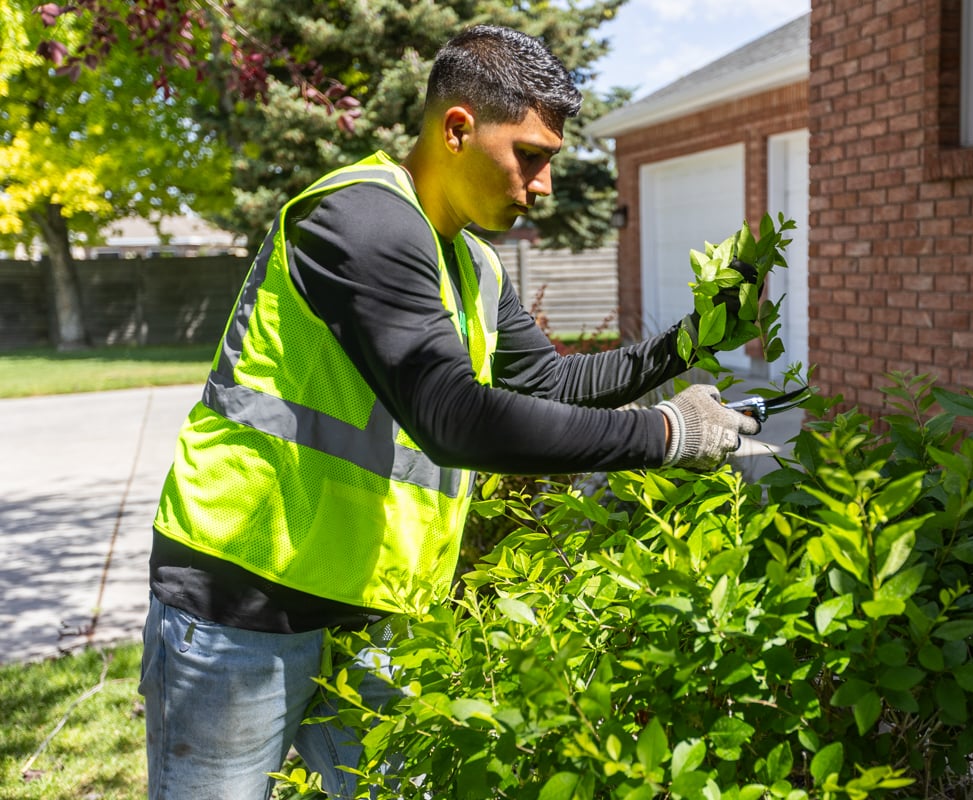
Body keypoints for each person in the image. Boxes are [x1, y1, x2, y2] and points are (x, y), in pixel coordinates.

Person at [138, 23, 760, 800]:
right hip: (239, 598)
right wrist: (667, 433)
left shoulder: (472, 264)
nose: (542, 186)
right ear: (458, 128)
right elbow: (456, 418)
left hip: (369, 605)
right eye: (530, 156)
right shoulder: (359, 223)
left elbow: (553, 385)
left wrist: (689, 343)